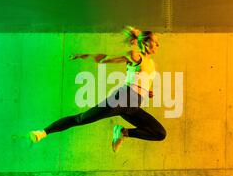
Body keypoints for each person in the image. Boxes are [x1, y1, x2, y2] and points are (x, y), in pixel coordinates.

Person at [29, 26, 166, 152]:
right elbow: (104, 59)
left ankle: (123, 132)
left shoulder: (152, 64)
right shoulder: (136, 56)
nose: (158, 45)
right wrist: (82, 55)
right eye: (155, 42)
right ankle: (42, 132)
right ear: (146, 43)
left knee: (159, 133)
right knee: (82, 119)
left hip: (134, 105)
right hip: (124, 99)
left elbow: (141, 80)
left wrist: (147, 91)